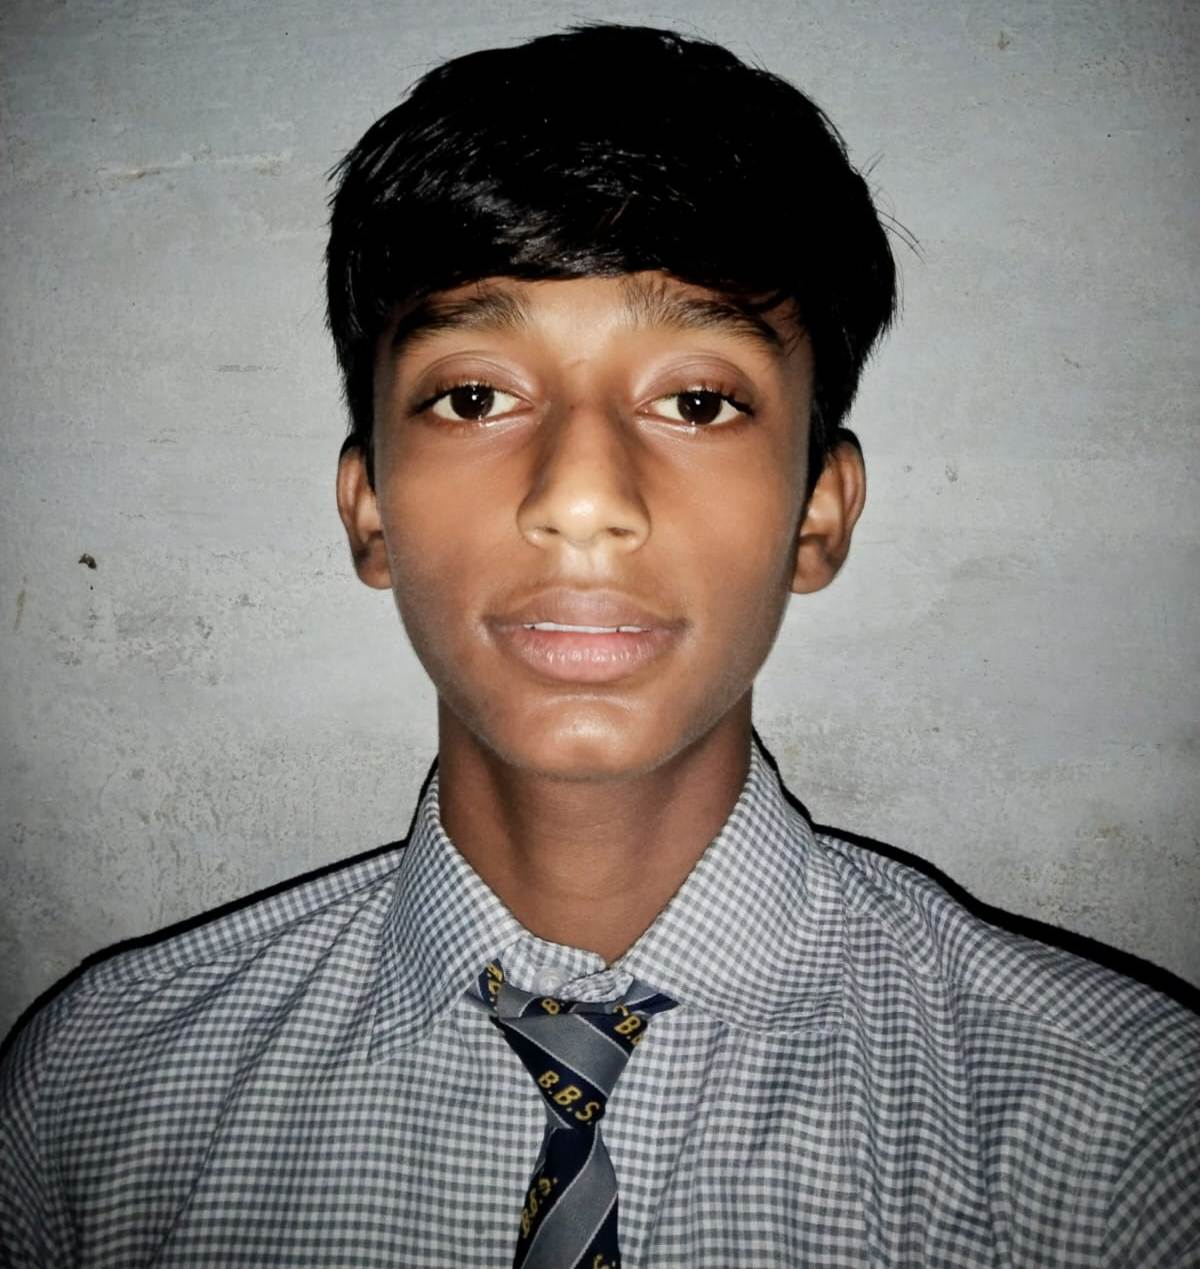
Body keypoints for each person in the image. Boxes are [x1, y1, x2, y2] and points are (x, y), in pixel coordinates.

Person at [2, 22, 1197, 1269]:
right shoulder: (100, 1099)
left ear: (818, 514)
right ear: (370, 513)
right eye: (475, 396)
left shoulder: (1127, 1137)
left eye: (697, 401)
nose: (580, 497)